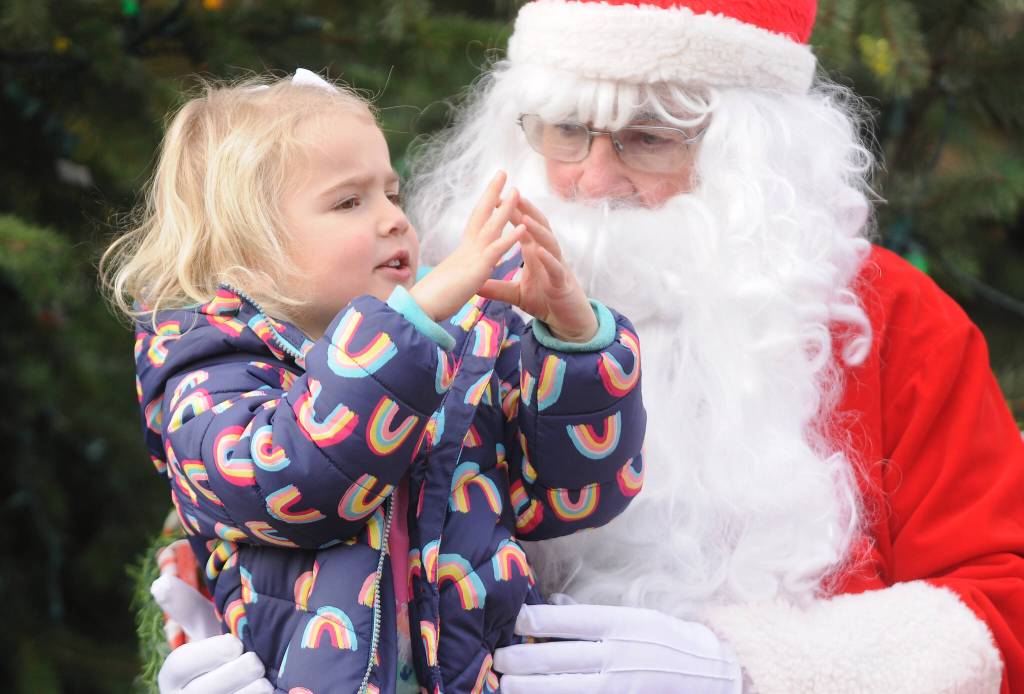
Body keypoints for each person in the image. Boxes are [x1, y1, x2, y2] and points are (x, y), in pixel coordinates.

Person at [154, 0, 1024, 692]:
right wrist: (213, 634)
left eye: (649, 137)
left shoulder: (882, 318)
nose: (593, 181)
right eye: (565, 131)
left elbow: (1003, 605)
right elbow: (272, 490)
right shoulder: (407, 301)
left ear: (755, 156)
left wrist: (755, 673)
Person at [102, 68, 647, 693]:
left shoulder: (459, 349)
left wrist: (575, 342)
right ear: (246, 250)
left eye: (392, 193)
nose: (393, 219)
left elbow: (568, 495)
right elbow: (298, 480)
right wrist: (409, 324)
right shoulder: (211, 372)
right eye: (349, 201)